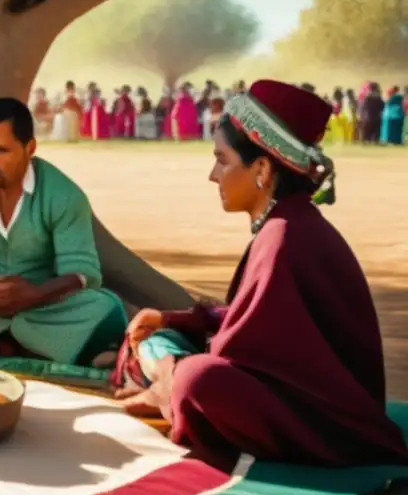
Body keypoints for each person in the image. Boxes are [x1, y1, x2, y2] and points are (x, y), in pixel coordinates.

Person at [113, 80, 408, 471]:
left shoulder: (286, 236)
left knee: (197, 379)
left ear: (263, 169)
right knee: (162, 338)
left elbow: (239, 351)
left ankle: (163, 386)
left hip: (325, 417)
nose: (213, 175)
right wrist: (174, 321)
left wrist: (171, 373)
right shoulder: (285, 224)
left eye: (222, 159)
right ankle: (164, 373)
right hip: (289, 385)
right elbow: (261, 325)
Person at [0, 97, 127, 366]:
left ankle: (1, 340)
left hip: (43, 309)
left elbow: (83, 274)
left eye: (0, 151)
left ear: (30, 149)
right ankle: (21, 343)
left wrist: (35, 294)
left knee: (106, 307)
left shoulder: (64, 194)